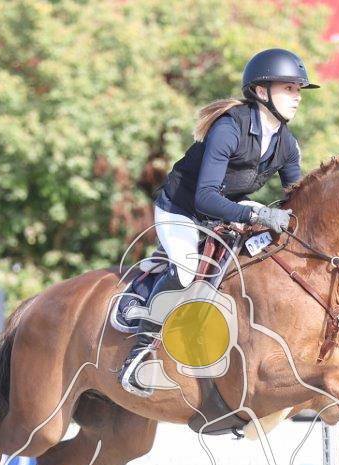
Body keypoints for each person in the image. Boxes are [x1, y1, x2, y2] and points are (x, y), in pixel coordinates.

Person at [120, 48, 318, 397]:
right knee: (186, 270)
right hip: (182, 209)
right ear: (261, 91)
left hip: (227, 207)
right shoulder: (229, 128)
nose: (297, 97)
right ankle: (139, 354)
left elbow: (297, 198)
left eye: (298, 89)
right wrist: (257, 214)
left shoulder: (287, 143)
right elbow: (205, 198)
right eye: (289, 88)